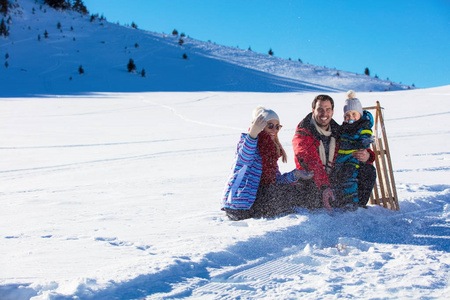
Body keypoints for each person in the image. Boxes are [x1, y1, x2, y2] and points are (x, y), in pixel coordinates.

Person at [221, 106, 313, 221]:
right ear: (259, 126)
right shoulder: (247, 143)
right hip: (239, 206)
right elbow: (244, 158)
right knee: (276, 192)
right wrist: (252, 134)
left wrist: (296, 174)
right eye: (270, 125)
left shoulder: (269, 151)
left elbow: (276, 180)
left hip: (253, 202)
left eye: (277, 127)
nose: (274, 130)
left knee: (293, 188)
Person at [292, 94, 376, 211]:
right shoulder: (304, 132)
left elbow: (352, 145)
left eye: (328, 109)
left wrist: (368, 155)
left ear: (332, 111)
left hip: (333, 179)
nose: (324, 114)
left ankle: (355, 208)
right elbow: (312, 163)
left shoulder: (337, 130)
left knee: (368, 171)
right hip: (313, 182)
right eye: (320, 109)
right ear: (313, 111)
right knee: (313, 198)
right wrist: (325, 187)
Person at [332, 90, 375, 209]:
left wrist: (365, 143)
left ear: (360, 115)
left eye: (353, 114)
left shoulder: (363, 127)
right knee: (337, 177)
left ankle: (353, 202)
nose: (350, 117)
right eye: (347, 115)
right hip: (341, 159)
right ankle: (338, 200)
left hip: (353, 158)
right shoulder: (343, 128)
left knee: (349, 176)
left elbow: (366, 138)